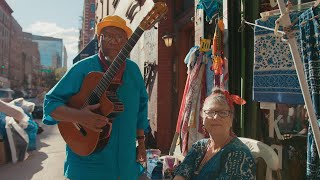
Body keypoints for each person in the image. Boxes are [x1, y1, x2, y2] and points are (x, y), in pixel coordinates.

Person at [42, 15, 149, 180]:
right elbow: (50, 105)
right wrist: (80, 117)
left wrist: (141, 142)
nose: (114, 41)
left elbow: (141, 109)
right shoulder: (82, 69)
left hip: (126, 165)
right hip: (88, 166)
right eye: (108, 36)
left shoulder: (133, 71)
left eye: (119, 36)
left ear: (127, 41)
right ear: (99, 39)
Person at [173, 87, 256, 179]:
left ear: (231, 119)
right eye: (210, 112)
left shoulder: (239, 154)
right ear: (202, 118)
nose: (216, 117)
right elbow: (182, 173)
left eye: (223, 113)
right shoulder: (199, 146)